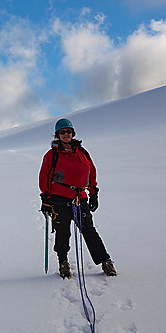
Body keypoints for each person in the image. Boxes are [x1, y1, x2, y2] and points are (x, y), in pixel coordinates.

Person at [39, 118, 116, 278]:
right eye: (62, 132)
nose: (65, 134)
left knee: (89, 230)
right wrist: (45, 197)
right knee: (62, 231)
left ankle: (105, 260)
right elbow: (44, 176)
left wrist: (93, 191)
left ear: (72, 133)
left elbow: (91, 172)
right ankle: (63, 262)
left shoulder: (82, 152)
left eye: (68, 131)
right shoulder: (52, 154)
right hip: (60, 197)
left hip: (80, 197)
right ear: (57, 135)